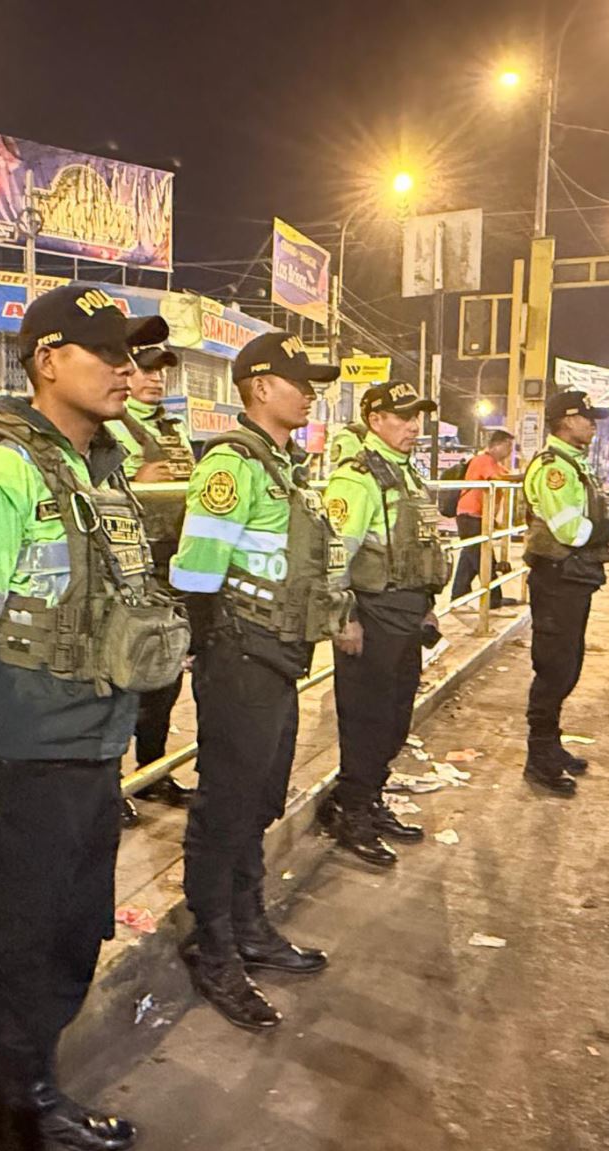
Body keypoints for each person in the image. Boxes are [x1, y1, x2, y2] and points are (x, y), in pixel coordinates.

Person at [0, 285, 187, 1151]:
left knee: (67, 945)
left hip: (90, 749)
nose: (129, 371)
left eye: (134, 355)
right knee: (6, 960)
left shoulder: (99, 464)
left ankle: (34, 1095)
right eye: (109, 353)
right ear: (48, 361)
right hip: (12, 760)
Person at [168, 332, 349, 1032]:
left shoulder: (283, 465)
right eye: (301, 382)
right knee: (225, 807)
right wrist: (213, 650)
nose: (311, 394)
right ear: (262, 387)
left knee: (257, 799)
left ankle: (247, 925)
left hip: (277, 655)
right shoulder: (232, 464)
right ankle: (212, 946)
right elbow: (196, 572)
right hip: (241, 656)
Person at [321, 380, 450, 865]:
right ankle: (351, 813)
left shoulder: (406, 473)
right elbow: (335, 556)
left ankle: (367, 799)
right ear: (375, 420)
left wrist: (427, 604)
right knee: (367, 722)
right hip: (372, 614)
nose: (414, 426)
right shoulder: (357, 479)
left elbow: (420, 547)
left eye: (417, 416)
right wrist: (344, 618)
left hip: (406, 613)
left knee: (394, 721)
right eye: (403, 416)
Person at [521, 389, 609, 795]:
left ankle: (550, 745)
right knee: (554, 670)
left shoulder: (573, 463)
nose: (593, 425)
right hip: (557, 580)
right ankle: (539, 757)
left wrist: (608, 537)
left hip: (571, 579)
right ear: (567, 421)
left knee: (568, 666)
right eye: (587, 418)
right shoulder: (555, 468)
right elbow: (571, 530)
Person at [108, 341, 197, 816]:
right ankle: (113, 785)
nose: (155, 379)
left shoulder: (172, 428)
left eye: (161, 371)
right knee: (124, 678)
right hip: (128, 567)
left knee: (165, 678)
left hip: (169, 567)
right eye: (145, 369)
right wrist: (138, 483)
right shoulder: (110, 426)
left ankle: (152, 773)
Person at [451, 428, 517, 609]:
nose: (510, 451)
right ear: (496, 445)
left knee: (470, 559)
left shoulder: (494, 463)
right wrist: (524, 476)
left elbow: (506, 476)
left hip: (477, 517)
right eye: (508, 446)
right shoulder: (483, 460)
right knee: (484, 560)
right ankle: (493, 599)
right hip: (471, 516)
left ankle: (458, 596)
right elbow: (499, 478)